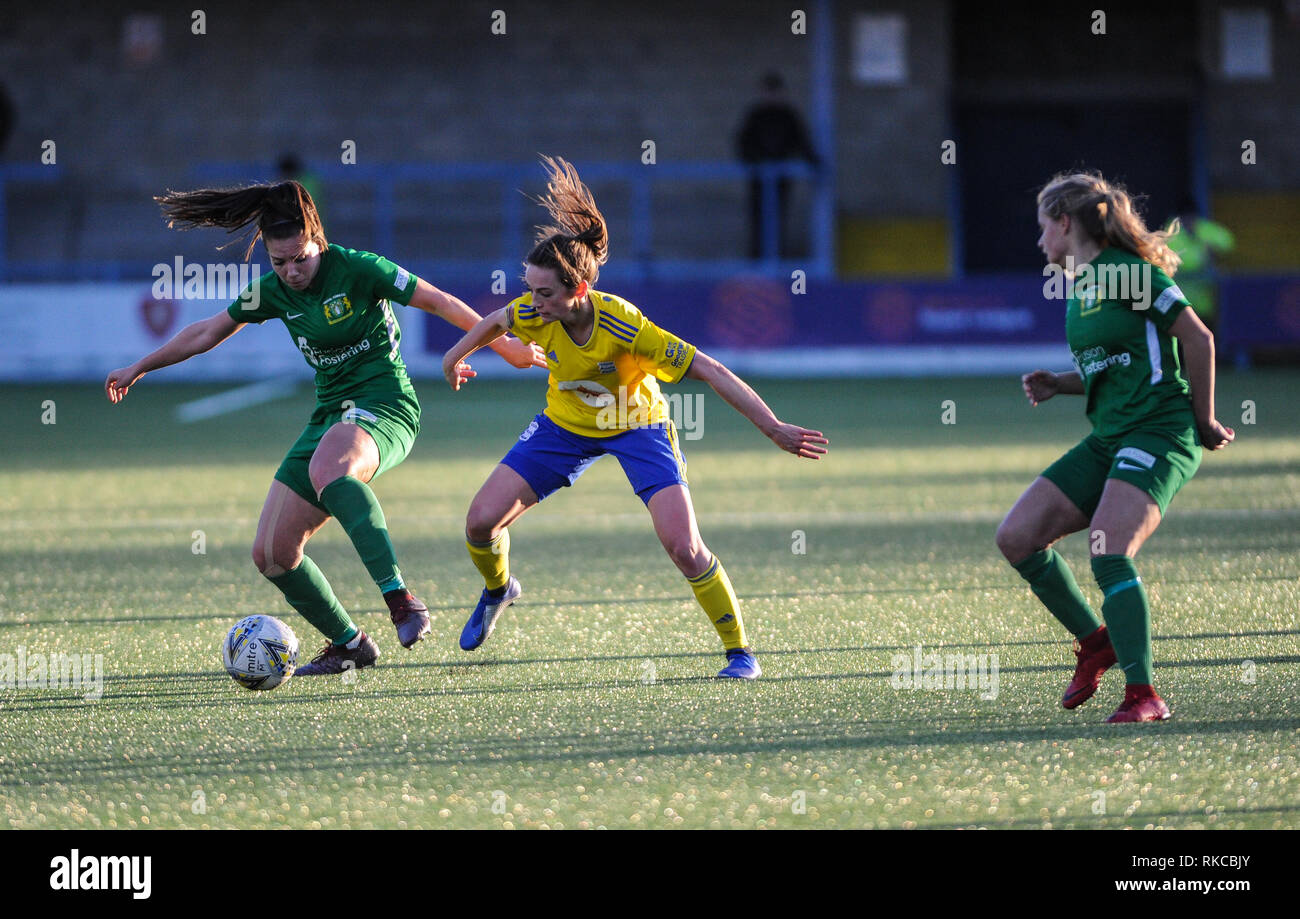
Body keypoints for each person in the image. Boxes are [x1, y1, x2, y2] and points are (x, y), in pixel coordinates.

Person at [105, 181, 545, 675]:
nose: (291, 271)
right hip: (329, 415)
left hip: (386, 405)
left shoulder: (359, 267)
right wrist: (139, 366)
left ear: (318, 239)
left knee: (332, 466)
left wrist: (506, 348)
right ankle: (350, 644)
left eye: (300, 258)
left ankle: (400, 599)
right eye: (279, 262)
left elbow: (440, 301)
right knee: (272, 554)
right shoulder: (272, 292)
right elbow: (208, 331)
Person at [440, 156, 828, 678]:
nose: (532, 301)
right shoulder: (535, 311)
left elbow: (709, 369)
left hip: (638, 426)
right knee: (479, 523)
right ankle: (498, 589)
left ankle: (740, 652)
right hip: (565, 427)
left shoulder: (624, 326)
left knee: (685, 548)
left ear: (578, 290)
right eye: (529, 288)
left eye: (544, 291)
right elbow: (497, 319)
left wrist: (774, 427)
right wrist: (456, 356)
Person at [995, 171, 1234, 723]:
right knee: (1017, 538)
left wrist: (1203, 419)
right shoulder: (1083, 288)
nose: (1039, 243)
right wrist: (1061, 382)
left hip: (1159, 430)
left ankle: (1143, 694)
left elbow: (1198, 338)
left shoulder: (1129, 273)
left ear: (1063, 223)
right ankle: (1096, 642)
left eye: (1041, 229)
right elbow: (1118, 365)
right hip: (1110, 437)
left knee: (1107, 548)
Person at [734, 71, 820, 259]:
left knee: (777, 217)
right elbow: (743, 143)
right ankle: (756, 258)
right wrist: (756, 162)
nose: (771, 96)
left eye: (774, 91)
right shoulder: (755, 115)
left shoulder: (788, 116)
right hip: (758, 178)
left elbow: (801, 141)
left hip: (782, 177)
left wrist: (814, 162)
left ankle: (776, 257)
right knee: (758, 217)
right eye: (767, 91)